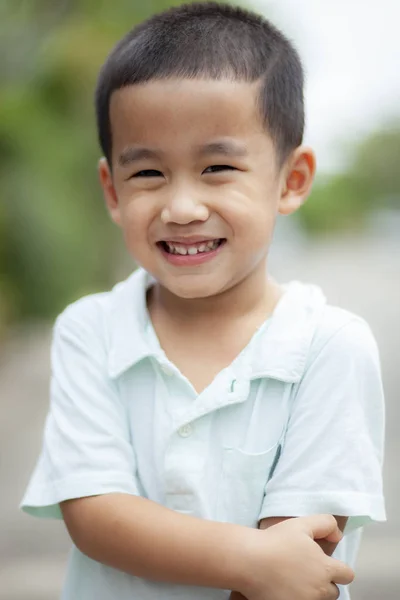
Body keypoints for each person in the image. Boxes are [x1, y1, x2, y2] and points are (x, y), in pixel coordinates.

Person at [20, 3, 385, 600]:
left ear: (291, 181)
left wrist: (267, 565)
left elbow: (298, 557)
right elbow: (95, 512)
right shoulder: (91, 330)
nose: (182, 207)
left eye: (217, 167)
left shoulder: (329, 345)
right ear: (112, 189)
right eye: (148, 175)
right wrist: (250, 559)